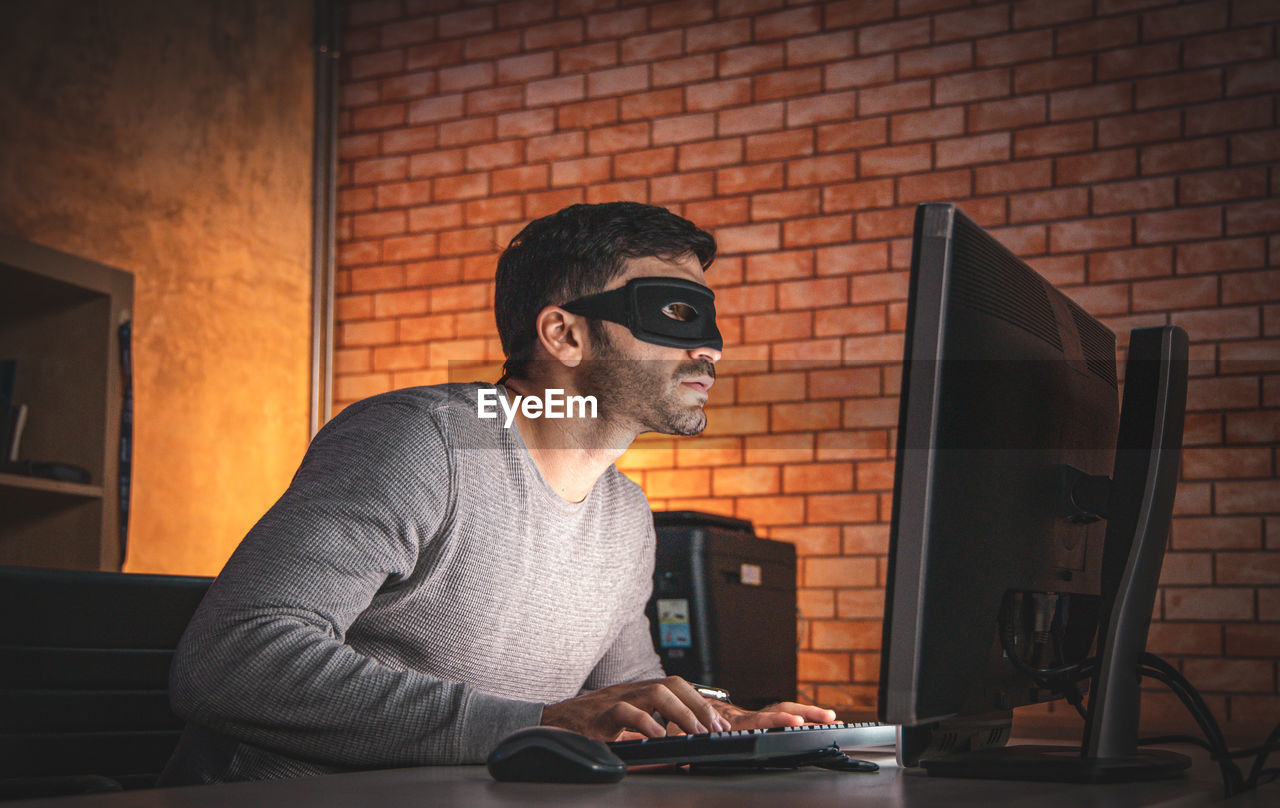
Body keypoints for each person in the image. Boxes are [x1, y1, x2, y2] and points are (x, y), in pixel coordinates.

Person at [160, 202, 835, 784]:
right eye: (673, 315)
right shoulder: (424, 442)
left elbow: (627, 702)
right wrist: (535, 726)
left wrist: (721, 723)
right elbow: (231, 659)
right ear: (563, 334)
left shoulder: (624, 514)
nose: (709, 351)